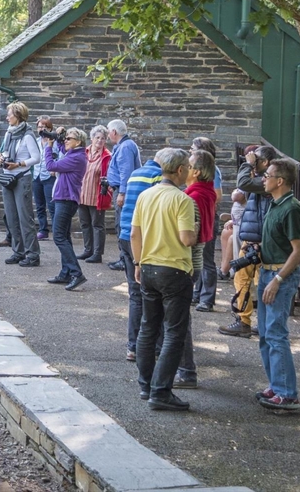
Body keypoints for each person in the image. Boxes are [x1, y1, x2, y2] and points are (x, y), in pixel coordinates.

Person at [131, 148, 197, 412]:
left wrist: (138, 262)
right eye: (188, 168)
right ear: (179, 170)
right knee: (173, 332)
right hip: (174, 269)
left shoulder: (145, 195)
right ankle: (161, 391)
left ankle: (146, 385)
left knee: (148, 328)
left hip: (148, 266)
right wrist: (196, 232)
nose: (190, 173)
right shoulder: (182, 200)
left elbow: (135, 234)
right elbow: (186, 239)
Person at [254, 158, 300, 411]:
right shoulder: (275, 204)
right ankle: (276, 384)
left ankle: (288, 393)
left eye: (268, 175)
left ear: (280, 181)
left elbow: (298, 251)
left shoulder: (292, 208)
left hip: (279, 278)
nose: (264, 178)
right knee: (265, 334)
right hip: (266, 274)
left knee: (276, 334)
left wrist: (277, 279)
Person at [219, 145, 276, 338]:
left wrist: (246, 164)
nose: (253, 160)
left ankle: (259, 323)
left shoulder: (268, 181)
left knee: (260, 283)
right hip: (252, 238)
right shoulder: (261, 179)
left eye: (256, 159)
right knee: (242, 279)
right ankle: (244, 321)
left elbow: (243, 183)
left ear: (266, 162)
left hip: (260, 241)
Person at [175, 149, 218, 390]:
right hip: (192, 261)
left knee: (180, 318)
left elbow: (190, 235)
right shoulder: (203, 192)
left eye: (188, 165)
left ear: (197, 171)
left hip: (188, 261)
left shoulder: (195, 195)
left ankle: (186, 371)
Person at [119, 156, 163, 362]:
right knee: (151, 295)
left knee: (135, 295)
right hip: (142, 238)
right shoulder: (157, 176)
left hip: (125, 235)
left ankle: (133, 346)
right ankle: (152, 345)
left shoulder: (135, 174)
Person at [0, 102, 43, 267]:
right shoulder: (10, 132)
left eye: (10, 114)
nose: (7, 116)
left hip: (21, 178)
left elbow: (36, 158)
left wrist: (19, 164)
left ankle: (32, 255)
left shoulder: (27, 135)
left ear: (18, 115)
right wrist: (0, 157)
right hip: (8, 178)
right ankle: (18, 252)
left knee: (25, 218)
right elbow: (4, 151)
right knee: (11, 218)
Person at [44, 128, 90, 290]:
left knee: (58, 237)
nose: (66, 141)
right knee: (64, 236)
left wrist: (48, 147)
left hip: (66, 200)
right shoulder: (74, 153)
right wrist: (58, 137)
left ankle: (77, 274)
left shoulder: (77, 158)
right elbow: (63, 149)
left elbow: (51, 165)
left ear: (78, 142)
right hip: (65, 199)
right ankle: (66, 272)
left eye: (69, 139)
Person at [190, 137, 222, 312]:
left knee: (207, 260)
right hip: (202, 214)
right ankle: (198, 293)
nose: (190, 150)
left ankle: (207, 298)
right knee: (199, 258)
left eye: (193, 148)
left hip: (207, 216)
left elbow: (218, 195)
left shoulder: (211, 170)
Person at [106, 120, 143, 271]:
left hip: (124, 193)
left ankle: (126, 258)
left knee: (123, 224)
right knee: (121, 223)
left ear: (114, 132)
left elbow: (126, 172)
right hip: (119, 190)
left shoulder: (126, 147)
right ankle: (125, 257)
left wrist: (122, 193)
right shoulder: (122, 146)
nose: (108, 135)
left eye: (108, 132)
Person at [76, 125, 112, 264]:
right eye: (97, 138)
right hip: (82, 194)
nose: (100, 141)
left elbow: (109, 176)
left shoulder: (107, 156)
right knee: (85, 224)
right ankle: (88, 250)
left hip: (97, 196)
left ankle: (97, 253)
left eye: (103, 138)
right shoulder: (84, 152)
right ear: (91, 138)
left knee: (97, 225)